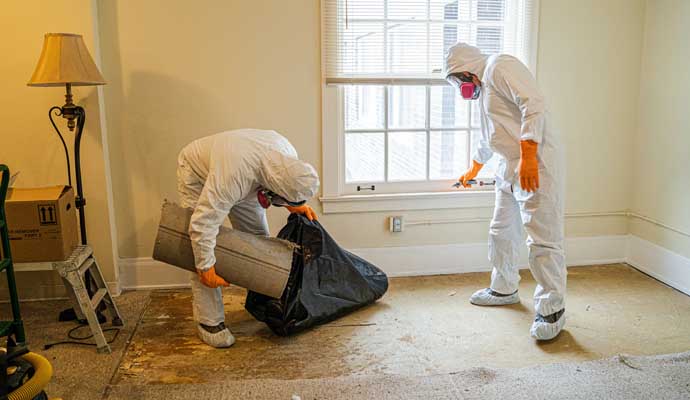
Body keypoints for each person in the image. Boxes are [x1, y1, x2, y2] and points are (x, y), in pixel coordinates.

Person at [445, 43, 566, 340]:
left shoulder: (500, 66)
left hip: (535, 163)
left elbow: (533, 103)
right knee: (501, 231)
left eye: (460, 78)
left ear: (469, 67)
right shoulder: (484, 90)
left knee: (542, 238)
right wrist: (474, 169)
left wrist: (528, 155)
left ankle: (552, 308)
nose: (461, 86)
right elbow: (491, 136)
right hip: (508, 165)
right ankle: (504, 288)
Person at [177, 129, 319, 348]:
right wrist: (206, 268)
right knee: (200, 247)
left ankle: (263, 303)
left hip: (248, 174)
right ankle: (209, 321)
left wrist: (295, 204)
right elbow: (202, 224)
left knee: (259, 240)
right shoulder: (233, 177)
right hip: (197, 172)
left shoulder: (286, 155)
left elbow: (284, 180)